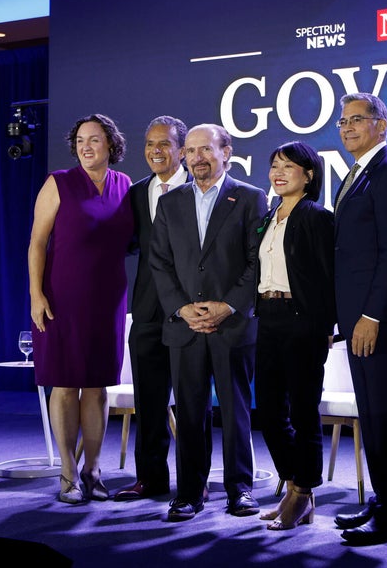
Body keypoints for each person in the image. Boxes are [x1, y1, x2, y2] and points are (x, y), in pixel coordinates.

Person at [149, 123, 268, 522]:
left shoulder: (250, 197)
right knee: (189, 413)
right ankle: (188, 493)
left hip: (231, 325)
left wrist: (228, 306)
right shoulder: (170, 202)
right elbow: (159, 263)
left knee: (236, 411)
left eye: (205, 149)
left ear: (226, 152)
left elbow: (256, 261)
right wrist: (182, 308)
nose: (196, 157)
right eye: (190, 150)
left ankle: (240, 489)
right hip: (184, 326)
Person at [331, 92, 387, 546]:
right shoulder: (355, 174)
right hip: (358, 319)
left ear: (381, 126)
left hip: (382, 319)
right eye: (343, 121)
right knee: (372, 415)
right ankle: (384, 500)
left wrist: (371, 315)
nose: (347, 127)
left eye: (356, 119)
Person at [28, 113, 133, 504]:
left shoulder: (125, 185)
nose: (86, 147)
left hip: (108, 300)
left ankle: (93, 470)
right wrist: (36, 295)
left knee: (97, 385)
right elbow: (37, 243)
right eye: (80, 141)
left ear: (111, 145)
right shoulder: (58, 183)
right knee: (65, 383)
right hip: (61, 298)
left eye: (94, 140)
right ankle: (68, 473)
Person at [253, 141, 336, 531]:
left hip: (302, 320)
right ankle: (295, 487)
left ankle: (302, 493)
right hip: (267, 317)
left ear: (309, 174)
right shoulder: (269, 215)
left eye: (288, 166)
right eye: (274, 165)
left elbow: (328, 277)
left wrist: (325, 327)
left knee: (303, 412)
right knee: (269, 412)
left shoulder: (317, 217)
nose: (278, 172)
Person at [114, 115, 190, 502]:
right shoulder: (137, 192)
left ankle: (193, 482)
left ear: (182, 150)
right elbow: (127, 244)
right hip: (146, 312)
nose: (155, 151)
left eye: (164, 144)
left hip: (191, 312)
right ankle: (150, 478)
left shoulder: (201, 188)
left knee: (192, 403)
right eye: (149, 144)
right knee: (148, 401)